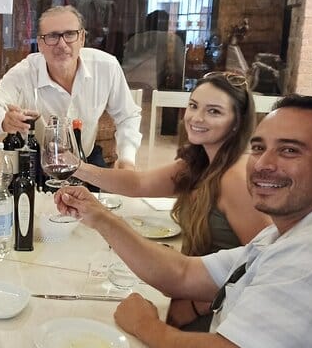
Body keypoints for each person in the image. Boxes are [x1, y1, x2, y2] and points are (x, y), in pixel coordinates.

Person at [56, 94, 312, 348]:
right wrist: (100, 217)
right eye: (258, 148)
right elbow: (182, 273)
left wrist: (146, 325)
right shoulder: (289, 233)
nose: (263, 164)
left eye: (289, 150)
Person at [74, 72, 271, 331]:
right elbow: (139, 183)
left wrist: (193, 307)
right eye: (194, 106)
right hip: (189, 288)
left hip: (220, 313)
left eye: (213, 111)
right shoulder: (201, 163)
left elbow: (262, 263)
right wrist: (76, 167)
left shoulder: (235, 177)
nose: (196, 118)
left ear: (237, 122)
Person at [0, 5, 142, 169]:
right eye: (52, 36)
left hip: (85, 158)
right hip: (37, 162)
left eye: (70, 34)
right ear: (40, 44)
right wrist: (3, 120)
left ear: (82, 38)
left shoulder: (106, 67)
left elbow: (127, 116)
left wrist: (127, 160)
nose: (62, 44)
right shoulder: (24, 73)